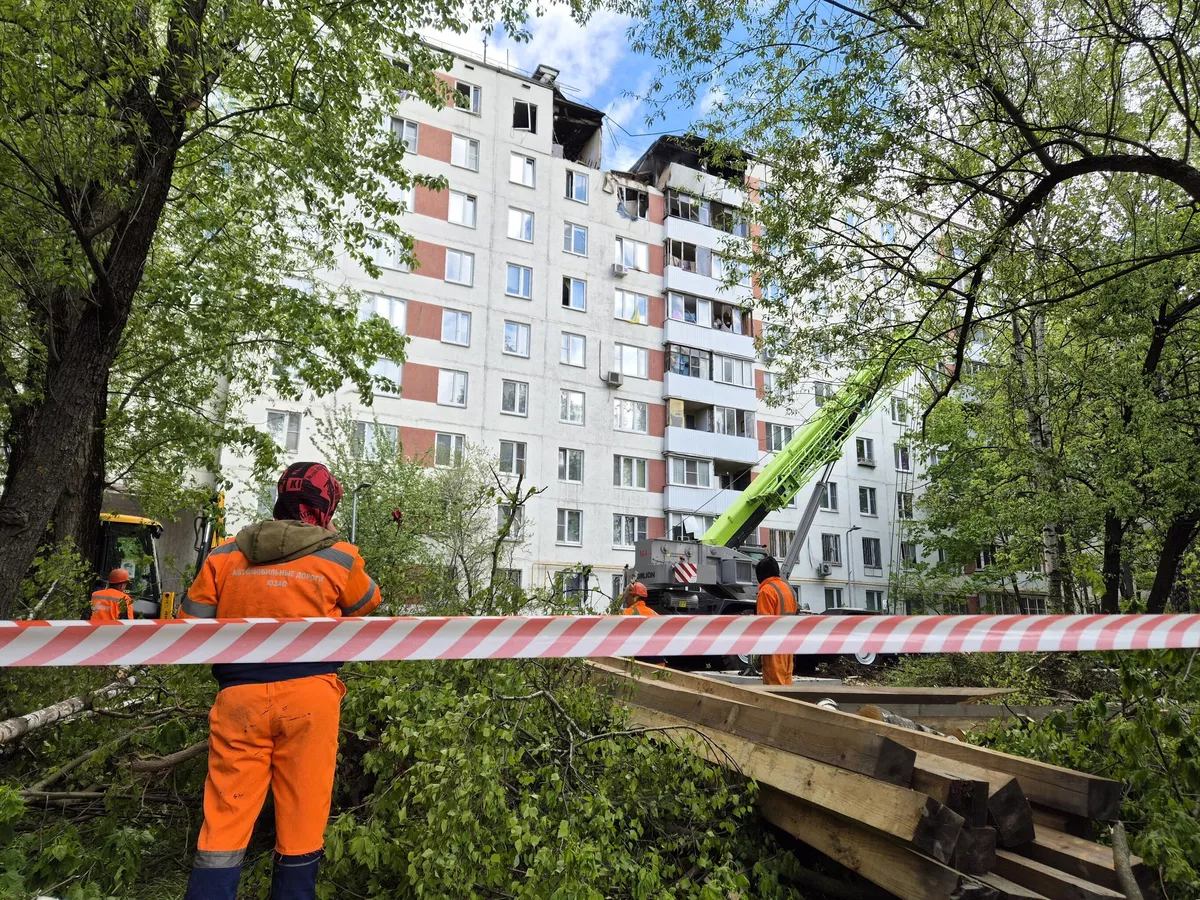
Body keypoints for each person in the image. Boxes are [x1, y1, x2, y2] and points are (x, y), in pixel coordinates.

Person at [182, 462, 381, 900]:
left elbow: (191, 621)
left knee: (224, 822)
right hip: (311, 697)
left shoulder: (223, 555)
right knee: (303, 820)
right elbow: (366, 604)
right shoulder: (340, 556)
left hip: (239, 699)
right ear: (325, 507)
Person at [755, 556, 798, 685]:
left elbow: (764, 624)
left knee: (774, 687)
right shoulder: (788, 589)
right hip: (788, 645)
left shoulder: (766, 591)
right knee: (786, 682)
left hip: (773, 646)